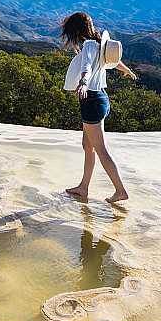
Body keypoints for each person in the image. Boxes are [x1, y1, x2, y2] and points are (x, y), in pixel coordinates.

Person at [57, 12, 137, 204]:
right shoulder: (100, 45)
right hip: (99, 98)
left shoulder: (89, 46)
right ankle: (83, 187)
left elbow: (87, 66)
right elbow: (113, 61)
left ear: (76, 30)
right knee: (88, 146)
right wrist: (127, 70)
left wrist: (83, 82)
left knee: (101, 149)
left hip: (91, 99)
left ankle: (120, 190)